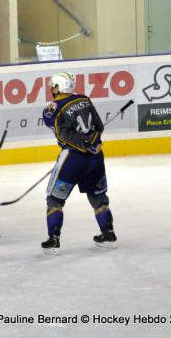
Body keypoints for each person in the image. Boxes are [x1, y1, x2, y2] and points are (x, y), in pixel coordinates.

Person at [41, 72, 117, 255]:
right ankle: (108, 235)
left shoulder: (51, 108)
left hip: (73, 159)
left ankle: (54, 240)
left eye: (53, 85)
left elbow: (63, 135)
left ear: (58, 87)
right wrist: (94, 143)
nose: (52, 88)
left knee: (54, 200)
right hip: (96, 157)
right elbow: (99, 127)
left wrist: (84, 145)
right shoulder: (84, 99)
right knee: (98, 197)